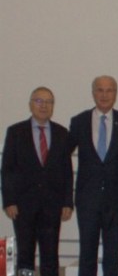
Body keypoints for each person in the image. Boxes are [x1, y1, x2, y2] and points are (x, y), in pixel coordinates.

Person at [1, 87, 73, 276]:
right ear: (30, 104)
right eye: (39, 101)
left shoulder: (62, 133)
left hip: (52, 204)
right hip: (23, 205)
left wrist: (67, 202)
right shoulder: (16, 132)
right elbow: (7, 169)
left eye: (49, 102)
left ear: (53, 106)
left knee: (51, 255)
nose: (44, 106)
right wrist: (9, 201)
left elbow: (66, 170)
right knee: (25, 255)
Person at [68, 76, 118, 276]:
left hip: (116, 199)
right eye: (100, 90)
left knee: (112, 254)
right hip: (87, 199)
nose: (104, 95)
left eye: (109, 90)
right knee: (87, 253)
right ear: (93, 93)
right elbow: (62, 157)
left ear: (115, 94)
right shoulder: (79, 121)